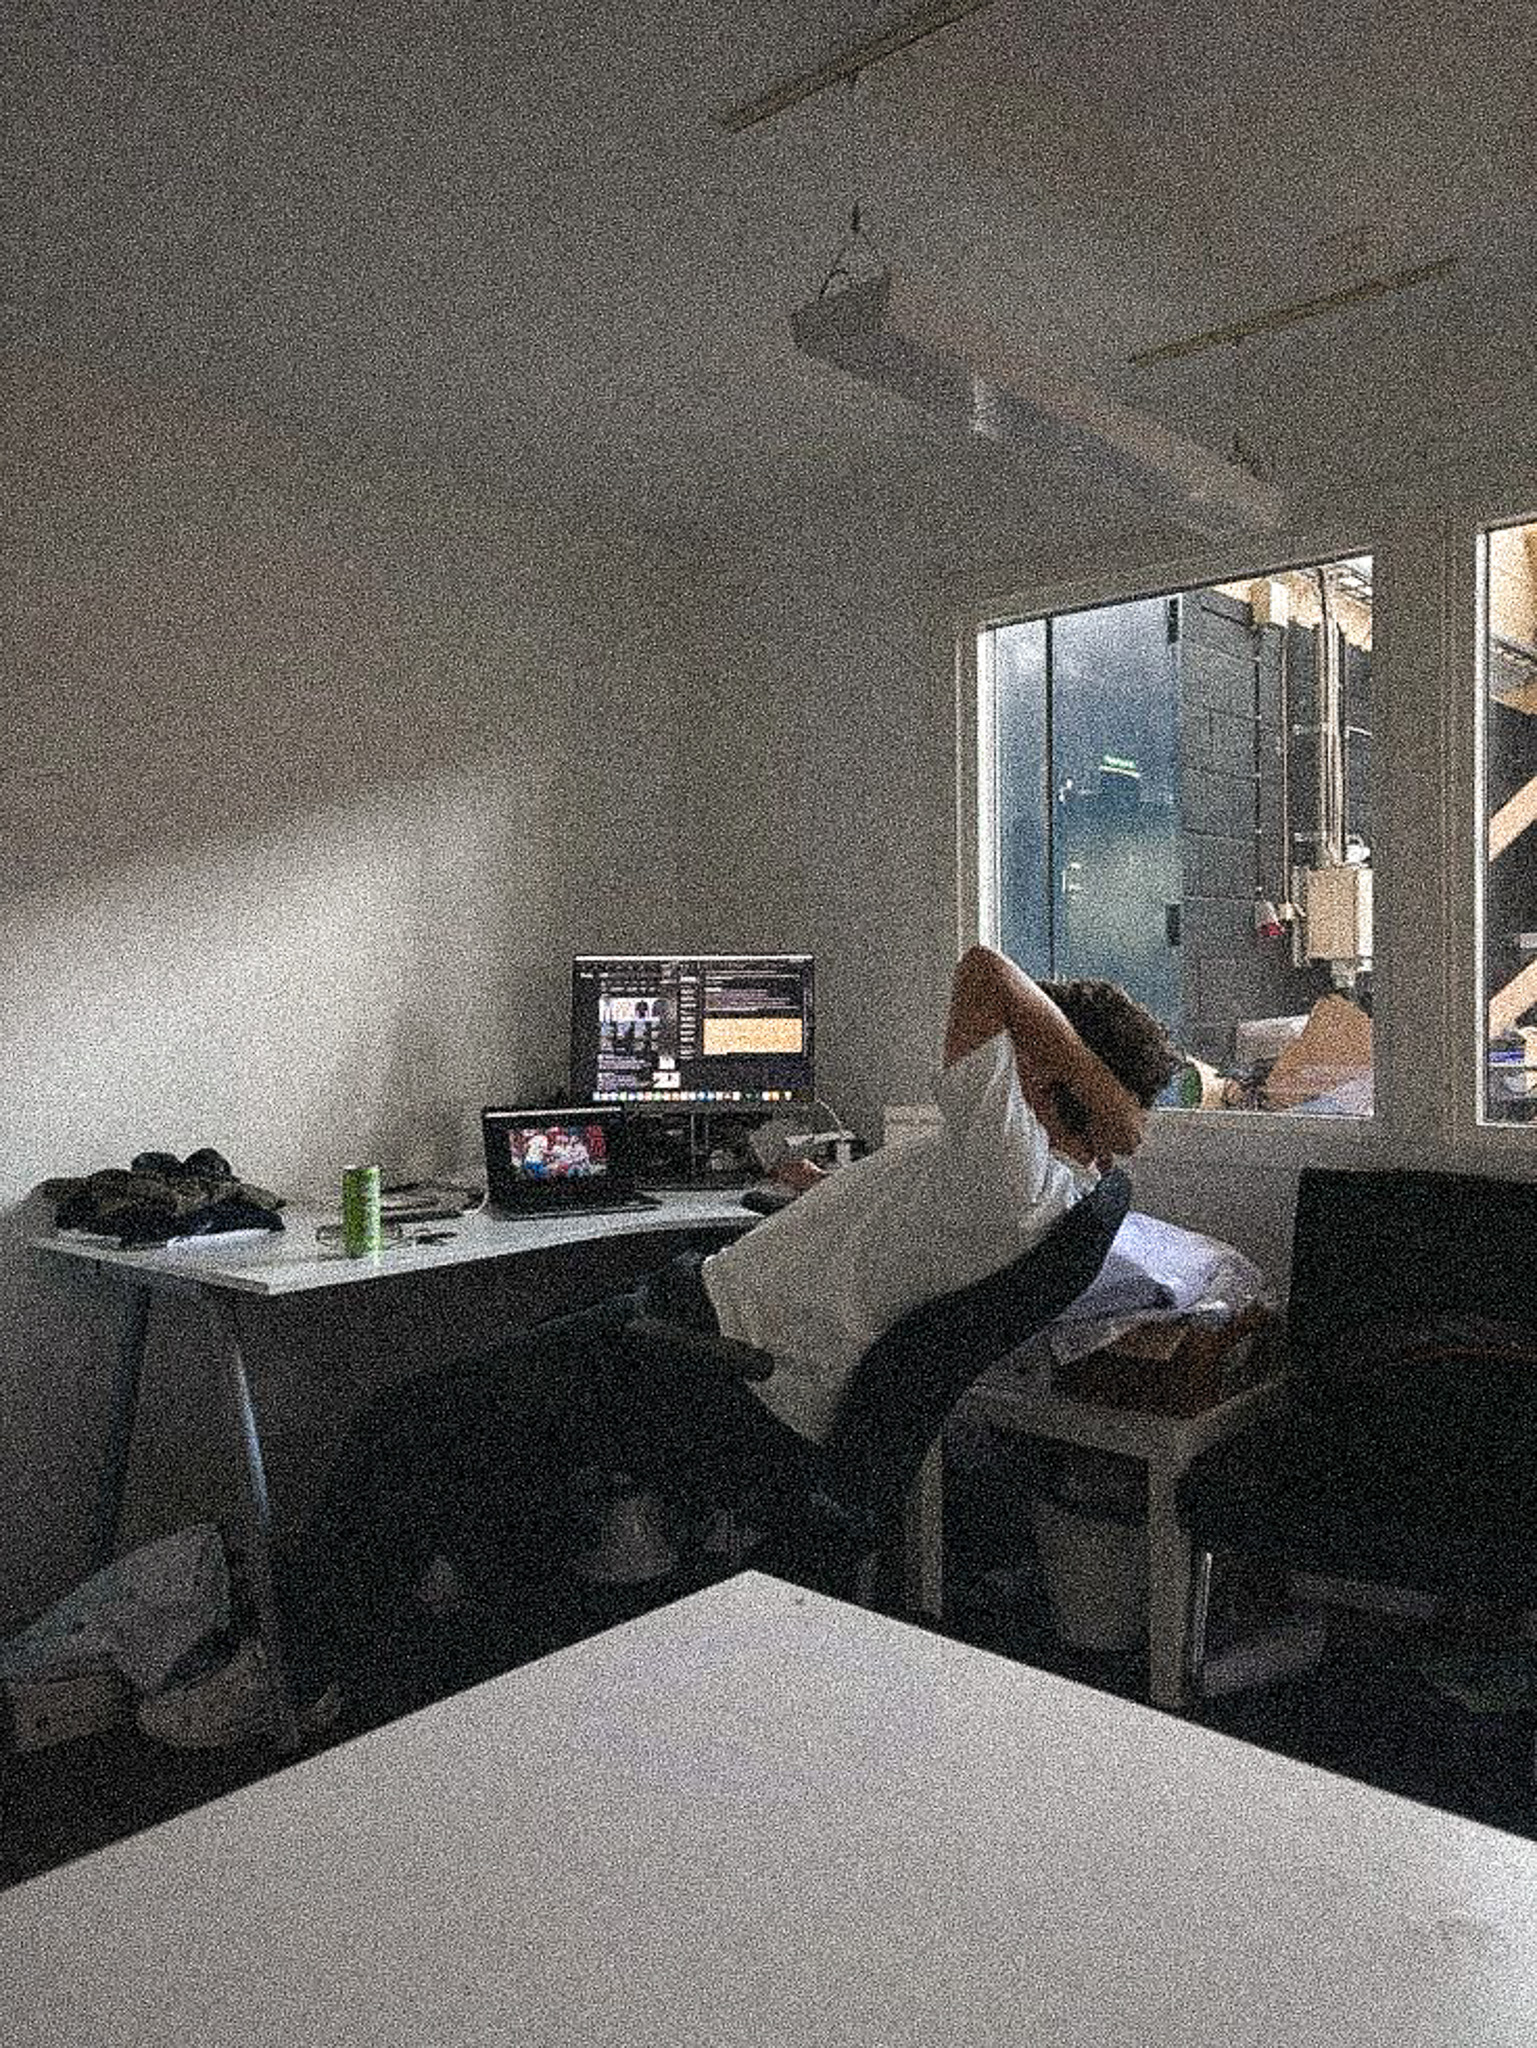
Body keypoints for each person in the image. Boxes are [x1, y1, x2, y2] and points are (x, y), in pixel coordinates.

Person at [280, 947, 1174, 1706]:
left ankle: (319, 1682)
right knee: (494, 1414)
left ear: (1061, 1078)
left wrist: (1091, 1082)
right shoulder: (1057, 1187)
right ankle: (485, 1647)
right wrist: (823, 1201)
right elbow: (908, 1236)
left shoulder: (1011, 1164)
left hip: (715, 1362)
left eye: (1031, 1047)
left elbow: (981, 969)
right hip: (715, 1338)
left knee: (402, 1421)